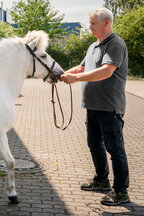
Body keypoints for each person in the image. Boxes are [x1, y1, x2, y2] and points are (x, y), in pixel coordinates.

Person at [61, 8, 129, 206]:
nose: (89, 27)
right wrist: (60, 74)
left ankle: (121, 192)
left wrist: (75, 79)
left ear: (106, 22)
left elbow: (106, 72)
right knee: (94, 145)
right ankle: (101, 181)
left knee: (115, 150)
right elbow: (82, 68)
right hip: (93, 107)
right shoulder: (93, 46)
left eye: (93, 23)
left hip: (110, 108)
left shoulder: (115, 44)